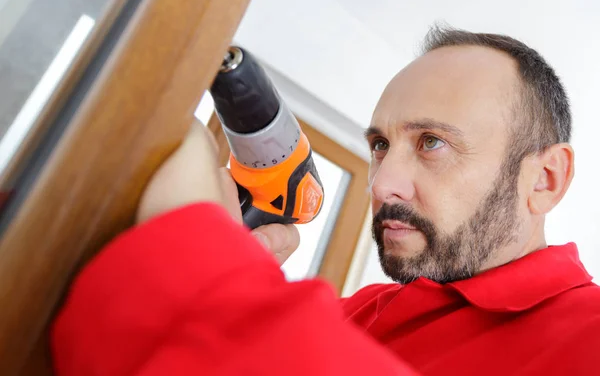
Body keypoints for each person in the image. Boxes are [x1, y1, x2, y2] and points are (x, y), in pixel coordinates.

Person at [51, 26, 600, 375]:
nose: (383, 182)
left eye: (432, 142)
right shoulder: (357, 314)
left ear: (545, 179)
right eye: (381, 145)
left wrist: (200, 269)